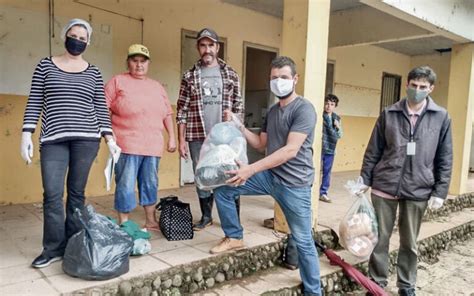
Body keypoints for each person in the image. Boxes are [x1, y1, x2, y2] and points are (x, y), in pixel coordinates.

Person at [212, 56, 322, 295]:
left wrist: (250, 169)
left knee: (303, 240)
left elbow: (290, 150)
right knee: (224, 187)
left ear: (295, 79)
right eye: (274, 78)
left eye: (283, 77)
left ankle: (314, 291)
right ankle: (234, 236)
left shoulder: (304, 109)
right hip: (271, 177)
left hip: (295, 185)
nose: (278, 82)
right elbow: (262, 144)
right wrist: (239, 126)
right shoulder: (272, 112)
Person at [20, 18, 121, 268]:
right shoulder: (45, 66)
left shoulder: (94, 72)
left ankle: (74, 244)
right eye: (74, 35)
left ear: (88, 42)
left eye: (83, 38)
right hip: (53, 140)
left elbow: (100, 107)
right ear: (65, 35)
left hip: (86, 140)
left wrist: (110, 138)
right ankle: (53, 248)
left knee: (76, 195)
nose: (77, 40)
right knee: (52, 195)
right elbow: (35, 100)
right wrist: (26, 133)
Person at [360, 66, 452, 296]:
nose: (417, 90)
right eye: (414, 85)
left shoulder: (441, 116)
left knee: (409, 242)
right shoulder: (389, 113)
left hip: (419, 188)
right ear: (407, 85)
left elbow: (445, 156)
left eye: (423, 87)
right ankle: (377, 281)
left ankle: (406, 284)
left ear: (431, 88)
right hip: (384, 185)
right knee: (380, 239)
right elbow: (374, 149)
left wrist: (440, 191)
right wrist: (364, 179)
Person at [176, 28, 243, 231]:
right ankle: (206, 216)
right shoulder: (189, 76)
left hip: (226, 137)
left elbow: (239, 106)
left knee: (230, 174)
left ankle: (233, 217)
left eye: (211, 45)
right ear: (198, 48)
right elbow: (182, 111)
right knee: (203, 176)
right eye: (203, 45)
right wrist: (181, 141)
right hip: (198, 136)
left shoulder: (231, 74)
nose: (207, 50)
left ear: (217, 47)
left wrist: (234, 122)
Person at [105, 44, 176, 230]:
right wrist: (108, 134)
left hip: (152, 146)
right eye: (134, 61)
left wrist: (172, 137)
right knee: (126, 184)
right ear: (128, 62)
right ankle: (124, 222)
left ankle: (151, 220)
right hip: (126, 144)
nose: (139, 65)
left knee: (150, 183)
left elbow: (167, 113)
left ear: (148, 63)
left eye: (143, 61)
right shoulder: (117, 81)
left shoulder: (157, 86)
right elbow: (101, 107)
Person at [319, 94, 343, 203]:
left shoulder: (336, 118)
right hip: (319, 148)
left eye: (332, 104)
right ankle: (310, 192)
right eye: (327, 103)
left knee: (327, 172)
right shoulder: (320, 115)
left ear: (335, 106)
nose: (328, 106)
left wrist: (337, 126)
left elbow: (339, 135)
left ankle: (323, 193)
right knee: (312, 171)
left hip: (330, 149)